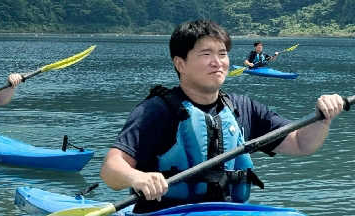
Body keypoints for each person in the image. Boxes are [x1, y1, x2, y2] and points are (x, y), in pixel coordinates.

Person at [99, 20, 345, 213]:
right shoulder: (157, 110)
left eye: (223, 54)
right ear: (180, 63)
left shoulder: (242, 108)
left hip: (228, 211)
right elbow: (111, 169)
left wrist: (323, 118)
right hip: (166, 212)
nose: (217, 63)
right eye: (206, 54)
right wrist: (138, 177)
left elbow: (302, 143)